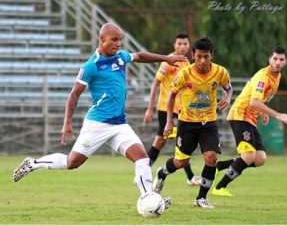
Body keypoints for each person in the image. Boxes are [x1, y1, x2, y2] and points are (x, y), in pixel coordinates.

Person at [12, 23, 186, 204]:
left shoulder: (120, 57)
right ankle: (32, 164)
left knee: (142, 158)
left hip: (119, 124)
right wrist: (67, 122)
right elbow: (74, 94)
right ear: (102, 39)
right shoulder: (91, 66)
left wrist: (165, 58)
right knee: (72, 163)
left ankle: (147, 199)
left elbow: (140, 56)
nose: (118, 44)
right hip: (97, 124)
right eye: (114, 39)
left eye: (120, 40)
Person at [152, 37, 233, 208]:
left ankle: (201, 198)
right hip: (187, 123)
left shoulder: (220, 72)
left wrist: (227, 97)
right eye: (199, 57)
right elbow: (171, 96)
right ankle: (162, 172)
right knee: (180, 162)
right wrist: (168, 122)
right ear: (194, 55)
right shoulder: (185, 74)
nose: (202, 61)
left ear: (212, 55)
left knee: (211, 158)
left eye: (206, 57)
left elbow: (228, 87)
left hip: (208, 122)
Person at [211, 46, 287, 197]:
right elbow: (254, 102)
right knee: (249, 156)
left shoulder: (277, 77)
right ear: (269, 59)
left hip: (250, 118)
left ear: (285, 62)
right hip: (240, 114)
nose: (277, 62)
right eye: (275, 59)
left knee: (260, 158)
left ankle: (220, 166)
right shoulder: (263, 76)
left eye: (281, 59)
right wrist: (277, 115)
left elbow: (261, 100)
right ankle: (219, 188)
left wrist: (263, 112)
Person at [143, 33, 201, 186]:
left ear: (189, 46)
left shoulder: (188, 63)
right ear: (174, 45)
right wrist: (150, 108)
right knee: (177, 140)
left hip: (181, 109)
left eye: (185, 44)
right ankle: (189, 177)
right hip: (166, 108)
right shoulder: (168, 61)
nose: (182, 46)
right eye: (179, 44)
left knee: (161, 141)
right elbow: (156, 83)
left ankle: (143, 171)